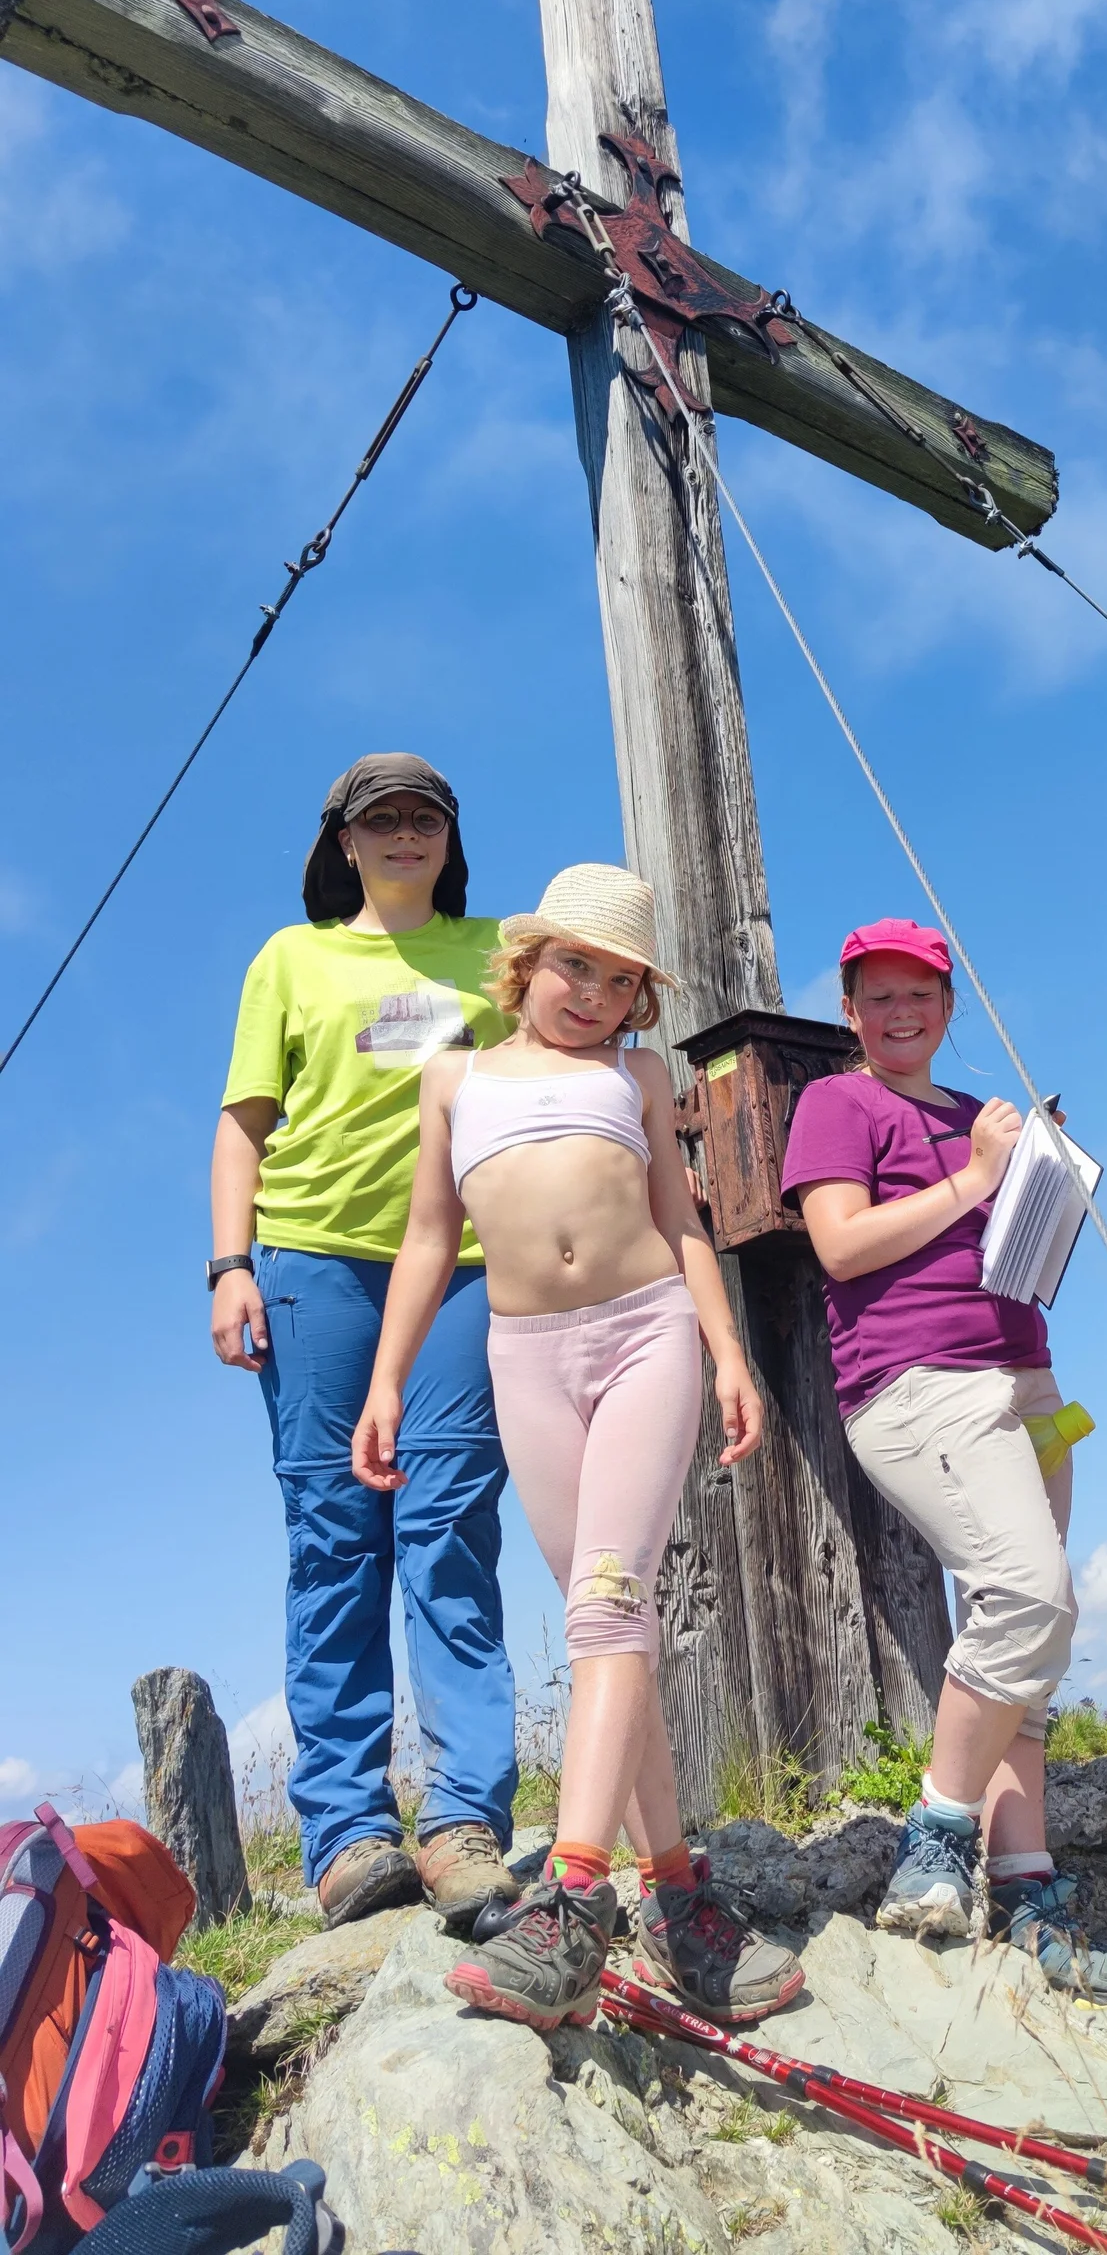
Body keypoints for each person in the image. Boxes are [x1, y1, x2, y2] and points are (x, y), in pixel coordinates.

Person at [355, 864, 804, 2031]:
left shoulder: (638, 1074)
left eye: (619, 980)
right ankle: (682, 1904)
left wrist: (730, 1355)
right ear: (527, 961)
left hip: (645, 1335)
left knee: (609, 1608)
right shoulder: (453, 1079)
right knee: (612, 1632)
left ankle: (570, 1901)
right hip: (526, 1355)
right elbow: (424, 1237)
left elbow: (683, 1221)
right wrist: (388, 1380)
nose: (594, 994)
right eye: (576, 966)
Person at [211, 754, 522, 1932]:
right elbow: (243, 1131)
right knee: (336, 1535)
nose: (403, 833)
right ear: (340, 841)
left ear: (450, 838)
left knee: (449, 1527)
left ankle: (462, 1821)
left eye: (425, 816)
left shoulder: (501, 954)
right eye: (378, 818)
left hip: (467, 1274)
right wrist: (230, 1264)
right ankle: (347, 1832)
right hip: (312, 1266)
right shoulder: (289, 960)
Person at [781, 920, 1107, 1996]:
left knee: (1027, 1635)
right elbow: (837, 1244)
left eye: (917, 993)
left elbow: (1020, 1248)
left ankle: (1024, 1879)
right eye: (876, 998)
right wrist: (979, 1180)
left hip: (1029, 1381)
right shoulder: (839, 1103)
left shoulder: (985, 1120)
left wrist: (1040, 1182)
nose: (899, 1013)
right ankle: (938, 1837)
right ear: (849, 1012)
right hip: (921, 1385)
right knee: (1028, 1592)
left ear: (948, 1001)